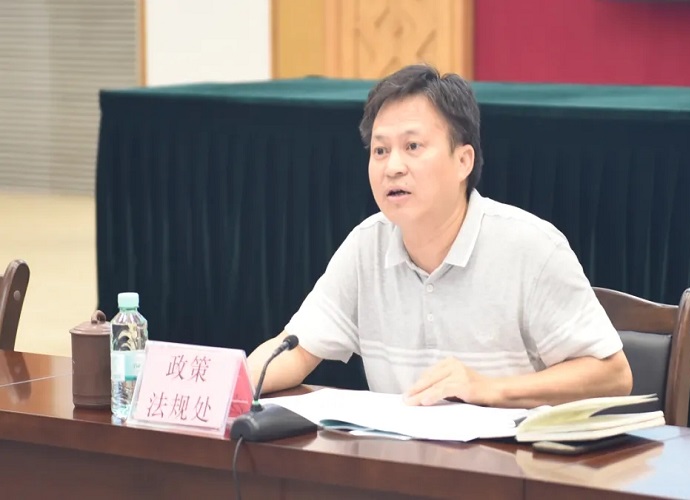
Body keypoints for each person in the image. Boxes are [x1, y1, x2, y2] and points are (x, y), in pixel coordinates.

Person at [247, 64, 632, 409]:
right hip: (399, 462)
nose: (392, 167)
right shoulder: (366, 246)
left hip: (513, 462)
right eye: (380, 150)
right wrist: (229, 387)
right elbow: (295, 350)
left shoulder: (532, 248)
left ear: (463, 161)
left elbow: (614, 375)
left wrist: (490, 390)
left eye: (412, 146)